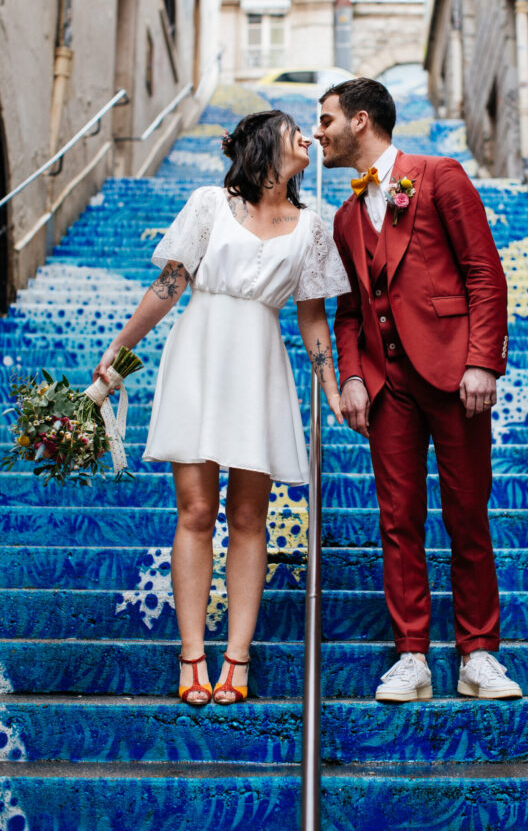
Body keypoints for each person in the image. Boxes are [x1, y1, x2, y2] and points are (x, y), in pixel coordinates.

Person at [93, 110, 349, 706]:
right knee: (196, 508)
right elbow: (167, 288)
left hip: (260, 363)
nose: (307, 139)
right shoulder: (210, 203)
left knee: (249, 517)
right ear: (265, 146)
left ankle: (237, 655)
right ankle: (192, 653)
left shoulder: (313, 227)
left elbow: (313, 316)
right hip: (199, 356)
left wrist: (331, 386)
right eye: (294, 133)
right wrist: (117, 355)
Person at [315, 78, 522, 703]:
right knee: (397, 521)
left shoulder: (438, 175)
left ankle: (478, 655)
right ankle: (412, 657)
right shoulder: (346, 216)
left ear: (359, 120)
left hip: (457, 377)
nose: (316, 133)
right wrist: (351, 377)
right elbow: (349, 311)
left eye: (325, 121)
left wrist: (483, 361)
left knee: (467, 511)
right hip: (388, 389)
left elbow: (484, 270)